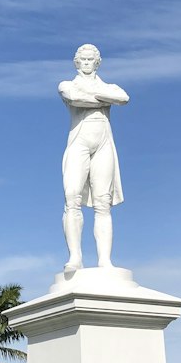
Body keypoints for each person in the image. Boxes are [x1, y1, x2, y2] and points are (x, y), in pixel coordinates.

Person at [59, 44, 129, 273]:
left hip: (104, 144)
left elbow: (123, 97)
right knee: (72, 197)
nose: (87, 63)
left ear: (97, 62)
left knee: (103, 202)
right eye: (83, 59)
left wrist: (97, 95)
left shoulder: (110, 86)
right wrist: (103, 99)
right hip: (79, 141)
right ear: (76, 62)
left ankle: (105, 261)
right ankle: (75, 257)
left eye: (91, 59)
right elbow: (74, 98)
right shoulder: (66, 84)